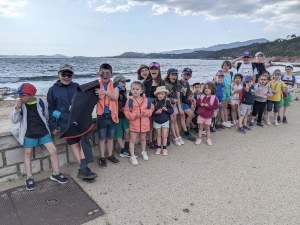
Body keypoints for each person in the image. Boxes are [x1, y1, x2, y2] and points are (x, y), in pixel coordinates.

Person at [10, 83, 68, 191]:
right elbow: (14, 120)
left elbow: (46, 115)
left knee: (53, 150)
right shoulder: (21, 105)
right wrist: (16, 109)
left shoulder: (40, 102)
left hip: (43, 132)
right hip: (29, 133)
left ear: (31, 95)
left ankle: (56, 173)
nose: (20, 97)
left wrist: (51, 127)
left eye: (22, 95)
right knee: (28, 154)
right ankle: (29, 177)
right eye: (20, 95)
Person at [47, 64, 97, 183]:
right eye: (63, 74)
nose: (66, 77)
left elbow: (85, 102)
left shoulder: (77, 87)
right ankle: (84, 168)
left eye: (69, 75)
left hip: (80, 120)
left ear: (72, 76)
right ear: (59, 74)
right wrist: (53, 125)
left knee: (85, 142)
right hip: (65, 123)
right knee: (74, 144)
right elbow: (51, 109)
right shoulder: (52, 90)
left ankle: (83, 168)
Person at [124, 81, 154, 165]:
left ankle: (143, 151)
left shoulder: (146, 100)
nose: (135, 91)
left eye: (137, 89)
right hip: (134, 124)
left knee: (143, 139)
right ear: (131, 90)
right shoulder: (129, 101)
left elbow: (151, 109)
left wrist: (147, 113)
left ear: (141, 91)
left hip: (144, 124)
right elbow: (126, 112)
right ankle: (132, 155)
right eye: (133, 89)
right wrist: (135, 115)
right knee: (132, 140)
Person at [95, 63, 120, 168]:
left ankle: (110, 155)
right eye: (102, 73)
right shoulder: (96, 85)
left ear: (112, 75)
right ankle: (102, 157)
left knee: (110, 137)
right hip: (101, 116)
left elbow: (115, 97)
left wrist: (104, 92)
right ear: (98, 74)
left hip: (112, 115)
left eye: (107, 73)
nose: (105, 75)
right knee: (101, 138)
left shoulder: (115, 85)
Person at [143, 62, 165, 149]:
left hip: (157, 102)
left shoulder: (161, 81)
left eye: (156, 69)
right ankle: (151, 140)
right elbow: (143, 95)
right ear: (149, 70)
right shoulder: (146, 82)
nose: (154, 70)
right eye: (152, 69)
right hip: (149, 103)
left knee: (157, 122)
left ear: (159, 70)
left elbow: (164, 94)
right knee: (150, 123)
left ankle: (156, 139)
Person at [164, 68, 184, 146]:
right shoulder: (165, 84)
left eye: (175, 75)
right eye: (172, 75)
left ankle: (178, 136)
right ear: (168, 75)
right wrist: (172, 100)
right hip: (168, 104)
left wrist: (179, 107)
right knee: (172, 120)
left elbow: (178, 96)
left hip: (174, 104)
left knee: (175, 120)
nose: (174, 76)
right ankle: (175, 137)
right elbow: (163, 96)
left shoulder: (177, 84)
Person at [113, 75, 131, 157]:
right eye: (123, 82)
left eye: (125, 82)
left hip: (124, 116)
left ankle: (127, 147)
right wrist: (120, 108)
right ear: (116, 83)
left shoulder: (123, 92)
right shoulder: (115, 92)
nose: (125, 84)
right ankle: (123, 150)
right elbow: (114, 104)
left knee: (128, 131)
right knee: (119, 134)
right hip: (118, 117)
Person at [152, 86, 174, 156]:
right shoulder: (154, 102)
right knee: (158, 135)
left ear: (164, 94)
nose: (160, 95)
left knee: (164, 135)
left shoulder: (167, 102)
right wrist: (156, 112)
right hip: (157, 122)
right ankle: (159, 147)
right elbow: (151, 113)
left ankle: (164, 148)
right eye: (159, 94)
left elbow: (172, 111)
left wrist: (166, 109)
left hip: (165, 121)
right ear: (156, 95)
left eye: (162, 94)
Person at [178, 68, 196, 141]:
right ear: (182, 74)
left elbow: (188, 93)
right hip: (179, 102)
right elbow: (178, 96)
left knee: (191, 114)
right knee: (182, 116)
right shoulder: (179, 83)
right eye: (185, 74)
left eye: (188, 75)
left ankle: (186, 128)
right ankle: (186, 133)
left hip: (184, 102)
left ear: (190, 77)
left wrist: (192, 98)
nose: (186, 76)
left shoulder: (187, 84)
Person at [221, 61, 233, 127]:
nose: (226, 67)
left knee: (225, 106)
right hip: (223, 90)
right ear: (222, 66)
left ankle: (226, 120)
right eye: (224, 65)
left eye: (227, 65)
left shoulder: (230, 73)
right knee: (223, 107)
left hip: (228, 91)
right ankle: (223, 121)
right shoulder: (220, 73)